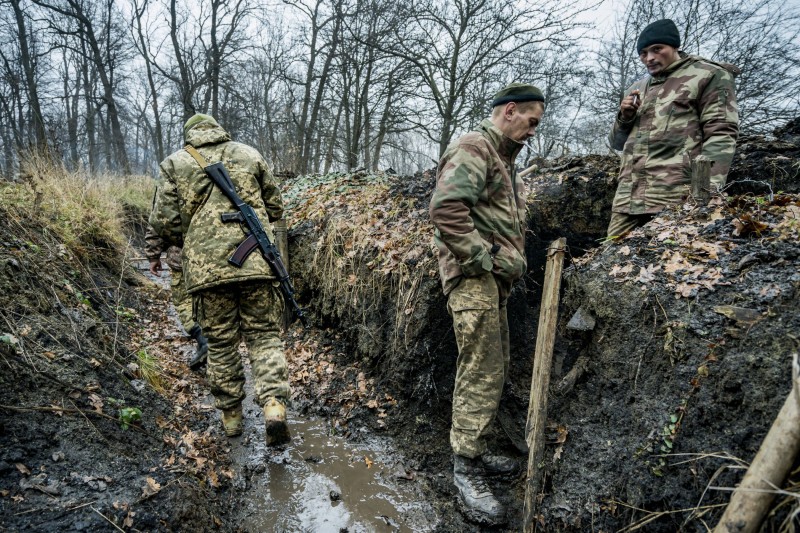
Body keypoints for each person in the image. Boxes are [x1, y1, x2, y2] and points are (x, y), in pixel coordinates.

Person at [429, 83, 545, 525]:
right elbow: (446, 208)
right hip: (473, 277)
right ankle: (465, 467)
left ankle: (476, 450)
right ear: (509, 111)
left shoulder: (504, 160)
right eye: (531, 122)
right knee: (482, 368)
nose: (533, 131)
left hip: (491, 280)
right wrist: (484, 258)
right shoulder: (475, 147)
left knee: (494, 364)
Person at [149, 113, 291, 446]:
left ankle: (232, 418)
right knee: (264, 336)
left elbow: (165, 222)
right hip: (257, 263)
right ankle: (273, 407)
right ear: (217, 130)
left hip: (206, 271)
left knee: (221, 343)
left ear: (189, 135)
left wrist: (197, 236)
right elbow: (275, 205)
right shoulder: (249, 153)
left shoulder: (174, 163)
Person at [607, 18, 739, 238]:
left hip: (677, 196)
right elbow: (616, 143)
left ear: (675, 46)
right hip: (628, 200)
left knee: (671, 265)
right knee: (607, 262)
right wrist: (625, 117)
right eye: (643, 53)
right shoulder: (637, 87)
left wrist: (706, 194)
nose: (649, 58)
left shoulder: (708, 75)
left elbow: (721, 134)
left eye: (657, 49)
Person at [144, 227, 208, 370]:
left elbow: (159, 221)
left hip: (184, 257)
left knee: (184, 302)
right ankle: (211, 349)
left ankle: (204, 340)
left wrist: (153, 256)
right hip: (221, 259)